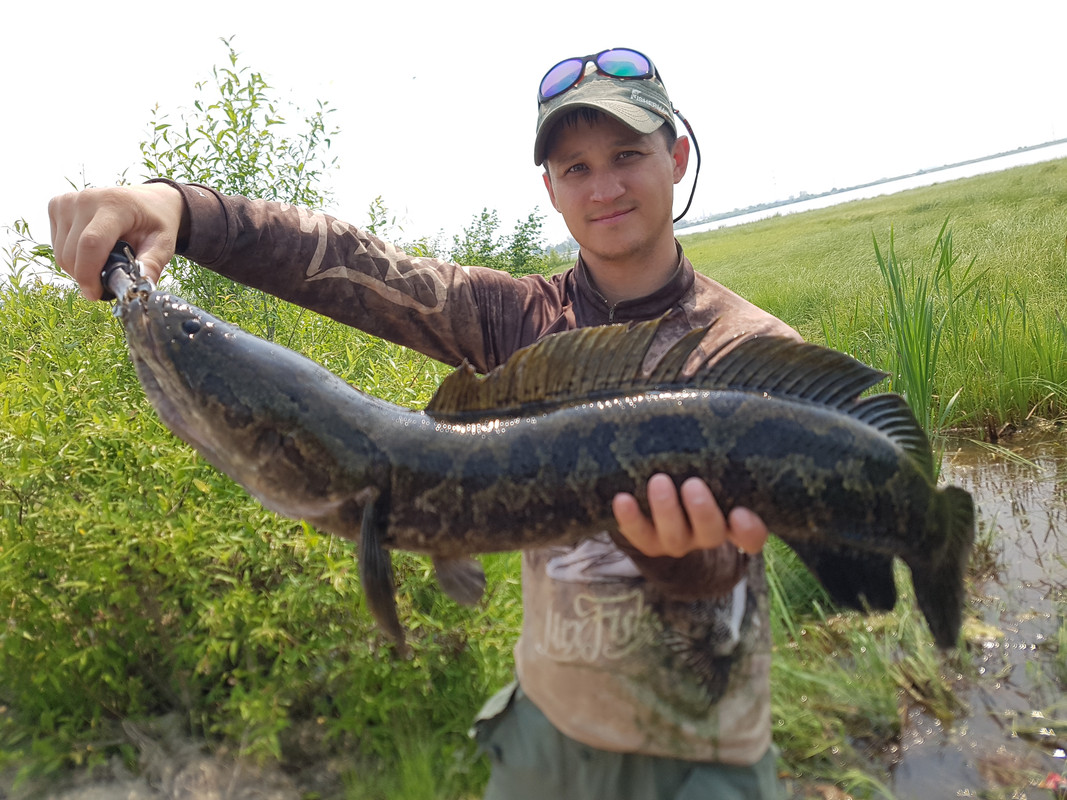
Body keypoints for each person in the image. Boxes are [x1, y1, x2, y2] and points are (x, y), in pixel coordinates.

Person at [50, 47, 797, 799]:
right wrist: (182, 210)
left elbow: (734, 560)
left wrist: (680, 559)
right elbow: (354, 264)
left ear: (676, 156)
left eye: (627, 155)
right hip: (546, 737)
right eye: (575, 167)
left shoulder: (754, 355)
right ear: (549, 187)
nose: (602, 186)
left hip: (704, 753)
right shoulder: (520, 318)